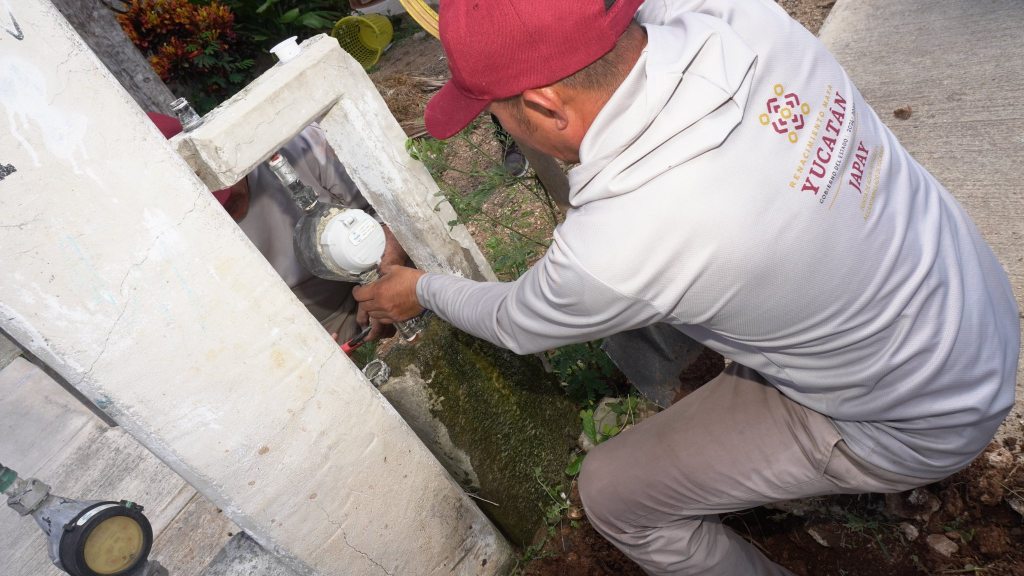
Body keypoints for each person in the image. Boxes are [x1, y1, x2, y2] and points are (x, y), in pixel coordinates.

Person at [353, 1, 1020, 574]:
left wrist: (421, 290)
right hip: (978, 310)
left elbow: (514, 323)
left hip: (917, 420)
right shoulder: (744, 18)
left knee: (614, 493)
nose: (499, 128)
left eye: (498, 114)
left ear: (544, 106)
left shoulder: (620, 244)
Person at [149, 113, 407, 343]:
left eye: (227, 193)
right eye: (209, 205)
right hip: (300, 322)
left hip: (374, 262)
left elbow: (391, 210)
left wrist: (388, 275)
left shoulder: (295, 145)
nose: (225, 208)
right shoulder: (171, 241)